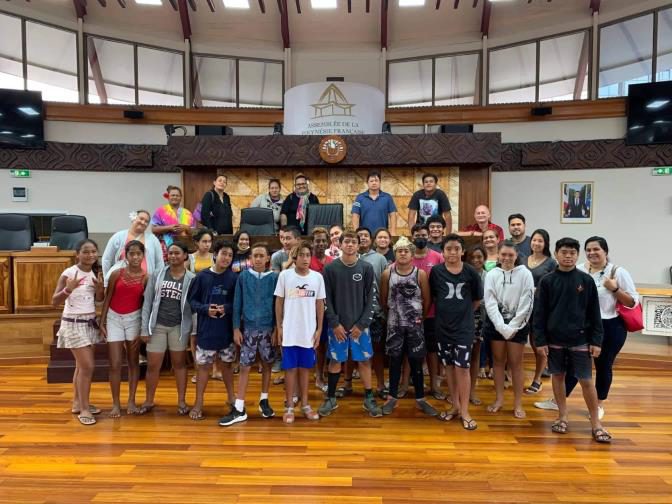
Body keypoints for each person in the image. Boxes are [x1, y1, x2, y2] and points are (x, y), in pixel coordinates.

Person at [535, 236, 638, 421]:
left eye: (596, 249)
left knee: (602, 366)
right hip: (580, 327)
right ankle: (560, 401)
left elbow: (632, 302)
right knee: (572, 368)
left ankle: (598, 405)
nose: (592, 253)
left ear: (605, 251)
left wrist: (614, 289)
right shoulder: (581, 270)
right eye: (588, 250)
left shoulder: (617, 272)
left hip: (610, 325)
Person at [533, 237, 611, 443]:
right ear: (556, 254)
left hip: (581, 340)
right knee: (558, 377)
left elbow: (595, 313)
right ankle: (562, 416)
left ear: (577, 255)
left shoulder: (586, 281)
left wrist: (597, 341)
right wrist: (540, 341)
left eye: (572, 253)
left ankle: (596, 423)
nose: (568, 256)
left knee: (586, 380)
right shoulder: (547, 281)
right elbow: (539, 314)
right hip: (554, 340)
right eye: (564, 252)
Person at [319, 230, 382, 418]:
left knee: (364, 360)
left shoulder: (366, 268)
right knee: (335, 360)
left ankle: (368, 397)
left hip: (360, 327)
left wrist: (362, 325)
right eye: (346, 241)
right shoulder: (330, 269)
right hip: (337, 326)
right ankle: (331, 398)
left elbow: (371, 298)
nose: (350, 245)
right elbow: (326, 299)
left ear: (358, 244)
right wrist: (334, 323)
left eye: (353, 242)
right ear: (339, 244)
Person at [219, 243, 278, 426]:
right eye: (255, 256)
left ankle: (264, 400)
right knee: (244, 366)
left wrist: (277, 329)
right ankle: (239, 407)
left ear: (267, 258)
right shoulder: (243, 277)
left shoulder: (274, 278)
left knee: (267, 364)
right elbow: (237, 303)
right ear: (250, 258)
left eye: (262, 256)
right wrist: (236, 328)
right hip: (248, 329)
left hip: (268, 329)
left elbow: (278, 305)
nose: (258, 259)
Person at [380, 236, 438, 417]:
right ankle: (392, 397)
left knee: (416, 361)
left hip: (415, 326)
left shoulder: (420, 274)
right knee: (394, 361)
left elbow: (427, 300)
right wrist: (394, 316)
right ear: (395, 253)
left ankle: (420, 398)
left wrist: (418, 318)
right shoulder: (387, 274)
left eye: (406, 251)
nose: (403, 253)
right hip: (394, 325)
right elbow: (383, 300)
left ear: (412, 254)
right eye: (399, 251)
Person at [430, 234, 483, 430]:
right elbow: (434, 297)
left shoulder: (471, 272)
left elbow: (476, 300)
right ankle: (455, 406)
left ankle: (465, 411)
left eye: (456, 249)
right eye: (448, 249)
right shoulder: (436, 271)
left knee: (463, 368)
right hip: (442, 328)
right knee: (449, 368)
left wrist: (462, 314)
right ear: (443, 252)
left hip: (463, 329)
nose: (452, 252)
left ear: (462, 251)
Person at [52, 239, 105, 426]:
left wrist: (100, 289)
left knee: (81, 367)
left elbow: (98, 301)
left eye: (93, 251)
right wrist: (68, 289)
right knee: (88, 367)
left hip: (90, 323)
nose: (90, 255)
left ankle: (77, 403)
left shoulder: (95, 273)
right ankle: (84, 409)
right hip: (73, 323)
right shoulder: (69, 273)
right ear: (77, 254)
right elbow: (54, 301)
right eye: (86, 251)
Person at [139, 242, 195, 416]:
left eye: (177, 253)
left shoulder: (192, 278)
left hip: (178, 328)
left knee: (179, 364)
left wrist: (192, 331)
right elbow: (147, 302)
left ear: (185, 255)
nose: (173, 256)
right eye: (170, 253)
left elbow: (193, 307)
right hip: (157, 326)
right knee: (153, 365)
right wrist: (144, 328)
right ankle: (149, 400)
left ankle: (181, 401)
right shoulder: (157, 274)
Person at [274, 242, 325, 423]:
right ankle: (289, 406)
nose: (305, 258)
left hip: (308, 333)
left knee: (305, 370)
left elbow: (320, 304)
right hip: (289, 332)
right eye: (301, 255)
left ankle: (305, 405)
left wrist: (319, 329)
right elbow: (279, 302)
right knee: (290, 370)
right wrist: (279, 327)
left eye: (307, 255)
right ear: (294, 258)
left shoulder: (317, 278)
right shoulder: (285, 276)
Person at [186, 241, 238, 421]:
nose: (227, 258)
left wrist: (226, 308)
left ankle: (232, 399)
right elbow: (192, 302)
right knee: (204, 368)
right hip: (206, 330)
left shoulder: (234, 278)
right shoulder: (201, 277)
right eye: (224, 253)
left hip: (225, 331)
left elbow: (237, 303)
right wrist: (205, 309)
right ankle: (198, 403)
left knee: (227, 366)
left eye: (230, 255)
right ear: (215, 254)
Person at [483, 240, 534, 419]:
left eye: (510, 255)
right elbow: (490, 301)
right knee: (498, 362)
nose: (506, 258)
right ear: (498, 255)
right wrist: (500, 326)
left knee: (516, 364)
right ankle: (499, 400)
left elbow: (527, 302)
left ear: (516, 255)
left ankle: (518, 403)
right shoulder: (492, 274)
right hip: (496, 324)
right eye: (503, 254)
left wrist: (513, 327)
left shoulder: (525, 274)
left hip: (518, 326)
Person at [337, 227, 388, 399]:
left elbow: (384, 285)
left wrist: (382, 310)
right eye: (360, 236)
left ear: (370, 239)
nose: (363, 238)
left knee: (377, 351)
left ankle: (380, 385)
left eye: (366, 235)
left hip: (375, 313)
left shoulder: (379, 258)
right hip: (353, 315)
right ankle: (347, 383)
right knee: (351, 351)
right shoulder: (347, 260)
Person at [100, 240, 148, 417]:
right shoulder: (116, 274)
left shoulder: (146, 277)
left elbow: (146, 304)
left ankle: (131, 401)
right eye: (131, 254)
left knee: (133, 361)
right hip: (114, 318)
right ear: (125, 256)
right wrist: (102, 322)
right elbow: (108, 298)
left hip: (134, 319)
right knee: (115, 363)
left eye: (138, 254)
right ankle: (115, 404)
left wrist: (143, 328)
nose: (135, 257)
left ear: (143, 256)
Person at [400, 223, 445, 400]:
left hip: (432, 313)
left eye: (424, 235)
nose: (421, 238)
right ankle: (404, 385)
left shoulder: (437, 257)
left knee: (432, 351)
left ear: (428, 236)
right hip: (408, 314)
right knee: (407, 350)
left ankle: (434, 386)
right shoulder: (406, 257)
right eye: (417, 235)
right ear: (412, 237)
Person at [523, 229, 556, 395]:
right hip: (522, 308)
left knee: (538, 345)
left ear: (546, 244)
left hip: (541, 309)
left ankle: (537, 380)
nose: (536, 243)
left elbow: (555, 286)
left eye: (540, 241)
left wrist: (538, 290)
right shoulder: (523, 259)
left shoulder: (551, 263)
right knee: (523, 342)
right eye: (534, 240)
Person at [102, 210, 163, 286]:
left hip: (146, 283)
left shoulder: (153, 239)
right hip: (121, 283)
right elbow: (106, 259)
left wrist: (157, 282)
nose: (143, 222)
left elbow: (159, 263)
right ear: (134, 218)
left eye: (146, 221)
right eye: (141, 218)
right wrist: (107, 282)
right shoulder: (118, 237)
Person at [188, 229, 215, 383]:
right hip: (197, 300)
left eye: (209, 241)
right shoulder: (190, 258)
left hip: (212, 300)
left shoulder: (214, 257)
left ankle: (214, 369)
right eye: (204, 241)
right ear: (196, 242)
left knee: (212, 333)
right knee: (195, 335)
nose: (207, 244)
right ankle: (198, 369)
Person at [308, 227, 333, 392]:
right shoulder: (307, 260)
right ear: (312, 242)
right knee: (313, 343)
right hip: (309, 308)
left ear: (328, 242)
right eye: (317, 241)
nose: (321, 243)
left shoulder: (332, 261)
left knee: (323, 343)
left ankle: (321, 374)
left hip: (328, 308)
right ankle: (314, 374)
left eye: (324, 240)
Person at [151, 186, 198, 260]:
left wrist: (185, 227)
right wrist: (169, 228)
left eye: (177, 195)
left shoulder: (187, 213)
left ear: (181, 198)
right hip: (165, 249)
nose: (175, 197)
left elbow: (195, 232)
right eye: (173, 195)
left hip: (184, 249)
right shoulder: (160, 211)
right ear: (168, 197)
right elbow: (154, 229)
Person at [467, 244, 488, 405]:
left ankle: (471, 391)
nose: (476, 260)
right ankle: (459, 391)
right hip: (462, 316)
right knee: (460, 357)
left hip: (480, 317)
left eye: (479, 257)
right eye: (472, 257)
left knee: (475, 354)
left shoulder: (489, 276)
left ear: (485, 258)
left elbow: (490, 298)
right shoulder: (463, 273)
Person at [351, 170, 397, 235]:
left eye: (376, 181)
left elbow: (393, 215)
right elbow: (355, 216)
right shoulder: (359, 198)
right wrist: (356, 233)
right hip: (364, 235)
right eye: (371, 181)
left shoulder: (387, 197)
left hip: (382, 235)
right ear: (367, 183)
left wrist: (393, 232)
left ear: (380, 182)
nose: (374, 183)